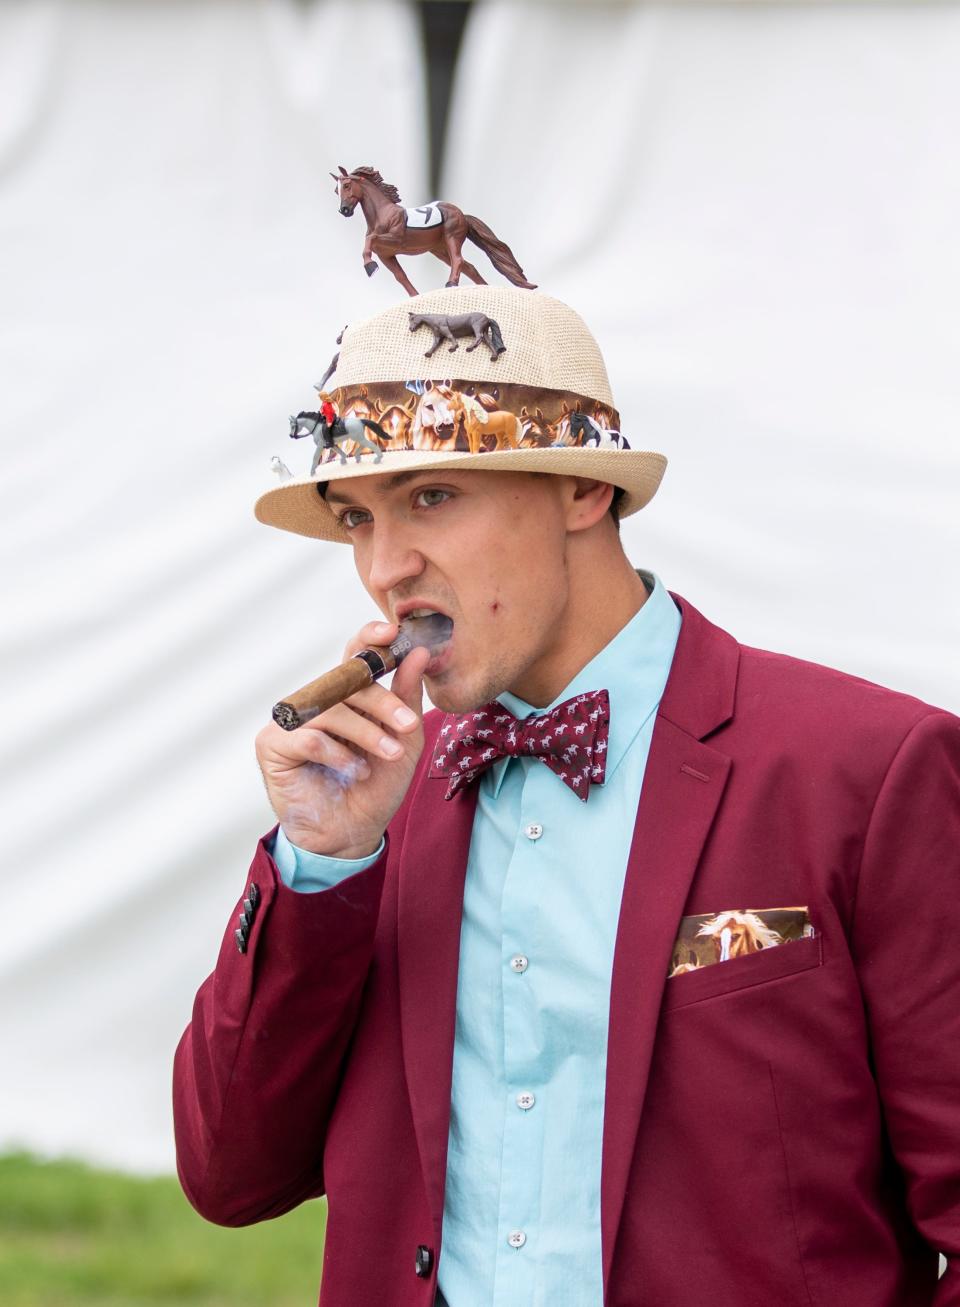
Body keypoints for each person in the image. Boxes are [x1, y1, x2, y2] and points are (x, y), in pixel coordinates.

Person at [173, 287, 960, 1307]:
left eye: (431, 497)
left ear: (584, 490)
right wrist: (318, 861)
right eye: (358, 519)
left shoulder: (870, 766)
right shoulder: (371, 797)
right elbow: (230, 1175)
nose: (382, 567)